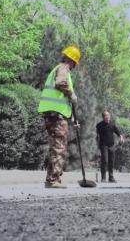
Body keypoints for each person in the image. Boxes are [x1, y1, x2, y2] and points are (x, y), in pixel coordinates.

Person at [37, 45, 81, 189]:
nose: (74, 66)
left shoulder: (57, 68)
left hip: (52, 113)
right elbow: (60, 83)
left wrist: (73, 118)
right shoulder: (63, 68)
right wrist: (71, 93)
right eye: (75, 62)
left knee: (55, 147)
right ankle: (53, 180)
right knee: (59, 147)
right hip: (57, 115)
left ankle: (51, 178)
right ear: (72, 61)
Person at [96, 111, 124, 183]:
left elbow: (118, 133)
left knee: (111, 161)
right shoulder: (99, 125)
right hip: (103, 145)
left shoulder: (112, 125)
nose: (108, 117)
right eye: (106, 115)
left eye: (108, 115)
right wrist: (98, 144)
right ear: (103, 117)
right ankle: (103, 178)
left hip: (111, 145)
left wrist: (121, 137)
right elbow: (97, 135)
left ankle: (111, 177)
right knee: (104, 161)